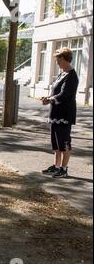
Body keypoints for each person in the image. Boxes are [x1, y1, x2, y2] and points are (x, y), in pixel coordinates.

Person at [41, 47, 78, 178]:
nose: (56, 63)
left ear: (64, 59)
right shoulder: (62, 74)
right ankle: (56, 166)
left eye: (58, 60)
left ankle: (64, 169)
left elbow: (64, 95)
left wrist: (50, 99)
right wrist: (48, 98)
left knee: (64, 142)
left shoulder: (72, 76)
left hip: (64, 114)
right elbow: (55, 92)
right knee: (56, 143)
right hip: (55, 113)